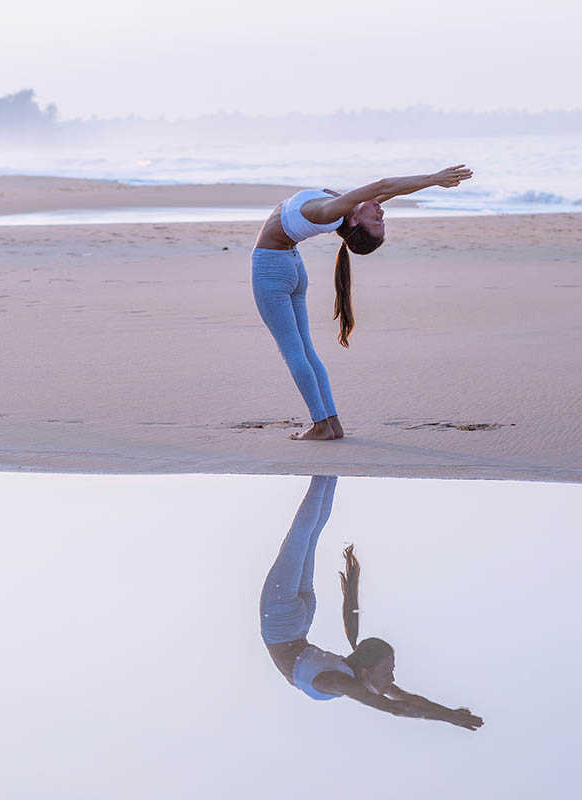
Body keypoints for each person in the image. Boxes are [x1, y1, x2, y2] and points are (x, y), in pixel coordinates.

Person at [252, 165, 473, 440]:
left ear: (356, 223)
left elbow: (382, 185)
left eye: (378, 221)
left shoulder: (332, 211)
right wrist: (430, 182)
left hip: (271, 267)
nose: (382, 212)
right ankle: (331, 423)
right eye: (381, 219)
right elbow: (386, 192)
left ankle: (322, 425)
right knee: (305, 350)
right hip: (291, 266)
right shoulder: (345, 209)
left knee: (294, 351)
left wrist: (433, 180)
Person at [260, 475, 483, 730]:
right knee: (307, 538)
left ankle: (326, 468)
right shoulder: (355, 675)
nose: (393, 679)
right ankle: (328, 471)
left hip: (282, 619)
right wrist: (448, 713)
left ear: (367, 672)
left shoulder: (343, 682)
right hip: (291, 625)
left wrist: (449, 717)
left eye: (388, 672)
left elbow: (396, 707)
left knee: (302, 537)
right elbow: (406, 698)